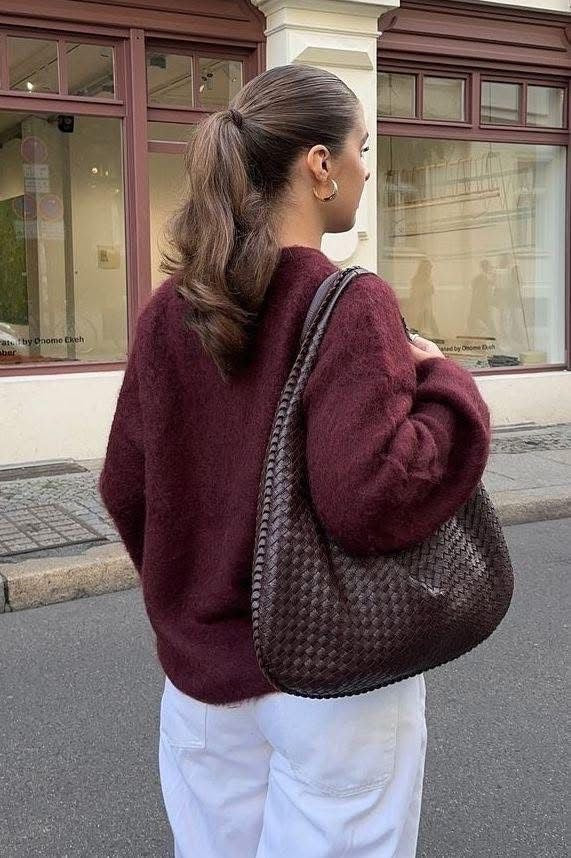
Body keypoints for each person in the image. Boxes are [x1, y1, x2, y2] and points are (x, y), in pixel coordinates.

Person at [98, 64, 491, 858]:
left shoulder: (170, 312)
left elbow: (123, 483)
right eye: (362, 147)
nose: (366, 168)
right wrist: (449, 385)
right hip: (328, 676)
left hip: (200, 683)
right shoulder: (348, 303)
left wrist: (192, 589)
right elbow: (374, 495)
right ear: (318, 165)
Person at [408, 259, 440, 338]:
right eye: (429, 268)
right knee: (420, 320)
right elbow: (416, 292)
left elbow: (431, 291)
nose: (430, 270)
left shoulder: (427, 279)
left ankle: (437, 336)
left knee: (426, 320)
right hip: (420, 304)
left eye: (430, 269)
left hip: (426, 304)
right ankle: (437, 336)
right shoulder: (419, 279)